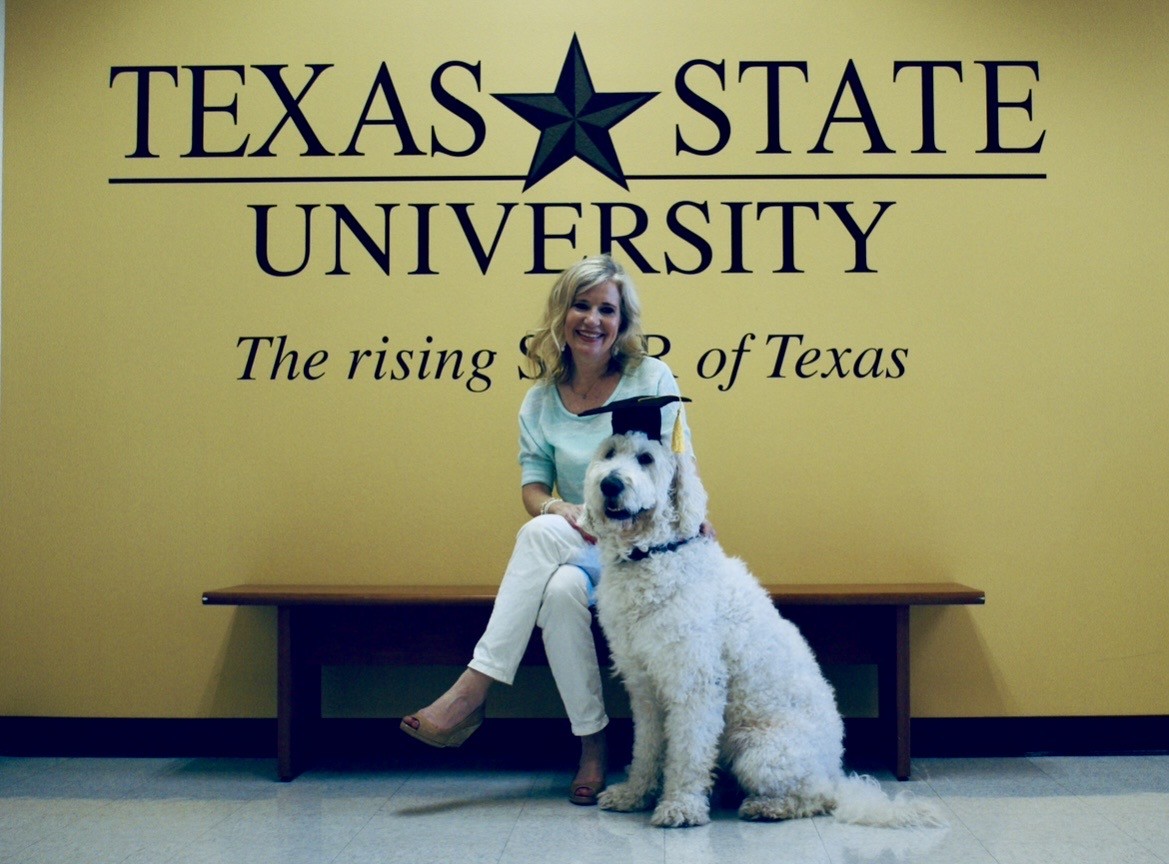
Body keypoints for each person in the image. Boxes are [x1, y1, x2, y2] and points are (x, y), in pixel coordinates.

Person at [400, 254, 691, 806]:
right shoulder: (538, 402)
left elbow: (677, 468)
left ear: (622, 321)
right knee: (552, 567)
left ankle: (473, 692)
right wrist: (555, 506)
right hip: (580, 538)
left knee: (548, 569)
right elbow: (533, 488)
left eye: (607, 309)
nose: (593, 319)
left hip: (641, 548)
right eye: (581, 305)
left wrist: (698, 535)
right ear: (562, 315)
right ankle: (593, 748)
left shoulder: (650, 378)